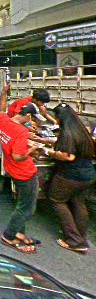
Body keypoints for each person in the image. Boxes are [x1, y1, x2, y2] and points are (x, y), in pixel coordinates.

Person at [0, 84, 47, 254]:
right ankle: (8, 236)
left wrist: (4, 92)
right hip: (24, 173)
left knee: (21, 203)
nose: (32, 121)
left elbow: (1, 109)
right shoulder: (20, 132)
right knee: (27, 208)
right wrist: (33, 150)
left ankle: (19, 232)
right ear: (27, 115)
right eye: (32, 118)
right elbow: (18, 156)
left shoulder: (3, 121)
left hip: (12, 169)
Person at [49, 103, 96, 254]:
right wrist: (48, 142)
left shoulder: (66, 133)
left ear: (60, 118)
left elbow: (68, 156)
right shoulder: (81, 130)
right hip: (88, 175)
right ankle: (80, 236)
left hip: (70, 176)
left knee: (57, 201)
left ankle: (74, 241)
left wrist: (50, 152)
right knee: (78, 202)